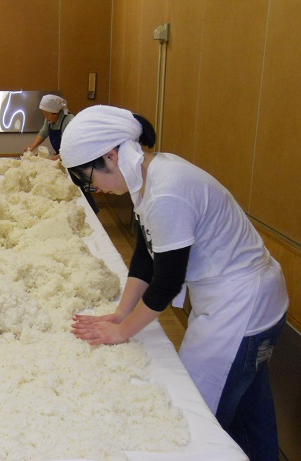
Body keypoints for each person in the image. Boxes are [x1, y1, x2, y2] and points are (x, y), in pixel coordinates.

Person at [62, 105, 288, 461]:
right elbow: (146, 254)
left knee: (197, 417)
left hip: (243, 307)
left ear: (110, 155)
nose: (96, 188)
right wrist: (121, 313)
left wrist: (123, 332)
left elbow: (167, 282)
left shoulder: (167, 189)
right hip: (240, 299)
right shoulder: (150, 176)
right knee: (250, 410)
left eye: (89, 177)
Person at [24, 94, 100, 214]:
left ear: (56, 112)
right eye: (44, 115)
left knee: (79, 185)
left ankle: (91, 212)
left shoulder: (68, 121)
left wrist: (57, 157)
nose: (46, 117)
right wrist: (33, 146)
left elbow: (71, 145)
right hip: (63, 155)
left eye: (48, 115)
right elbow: (44, 132)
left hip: (75, 157)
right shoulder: (49, 119)